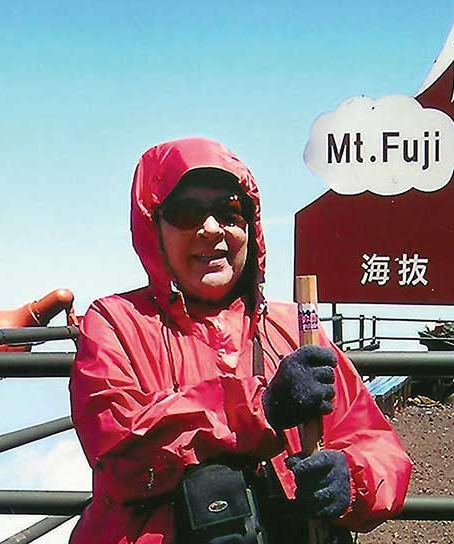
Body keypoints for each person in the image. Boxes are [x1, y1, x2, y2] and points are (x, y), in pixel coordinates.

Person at [70, 137, 412, 543]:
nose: (211, 228)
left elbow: (375, 442)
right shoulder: (115, 323)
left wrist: (350, 477)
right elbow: (119, 452)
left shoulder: (294, 329)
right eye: (185, 212)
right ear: (152, 226)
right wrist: (262, 409)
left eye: (230, 211)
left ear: (251, 225)